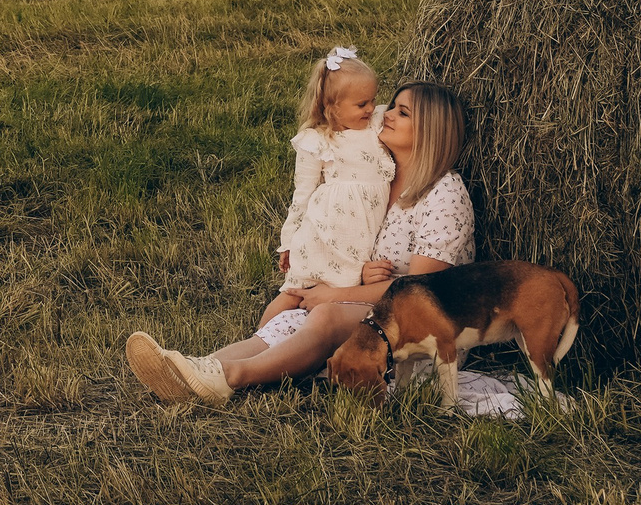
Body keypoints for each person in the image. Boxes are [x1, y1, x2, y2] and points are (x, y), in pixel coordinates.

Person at [126, 81, 473, 407]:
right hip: (374, 305)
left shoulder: (445, 193)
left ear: (432, 130)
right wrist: (358, 272)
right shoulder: (380, 181)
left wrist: (335, 295)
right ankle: (194, 369)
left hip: (423, 330)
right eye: (392, 107)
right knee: (290, 316)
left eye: (402, 112)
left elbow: (421, 292)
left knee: (325, 312)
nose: (386, 114)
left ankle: (230, 378)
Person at [257, 47, 393, 331]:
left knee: (343, 296)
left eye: (373, 100)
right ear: (332, 108)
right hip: (322, 233)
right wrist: (289, 242)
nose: (370, 108)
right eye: (361, 104)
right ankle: (257, 338)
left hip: (359, 240)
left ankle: (309, 343)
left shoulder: (375, 126)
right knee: (294, 291)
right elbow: (302, 195)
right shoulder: (317, 140)